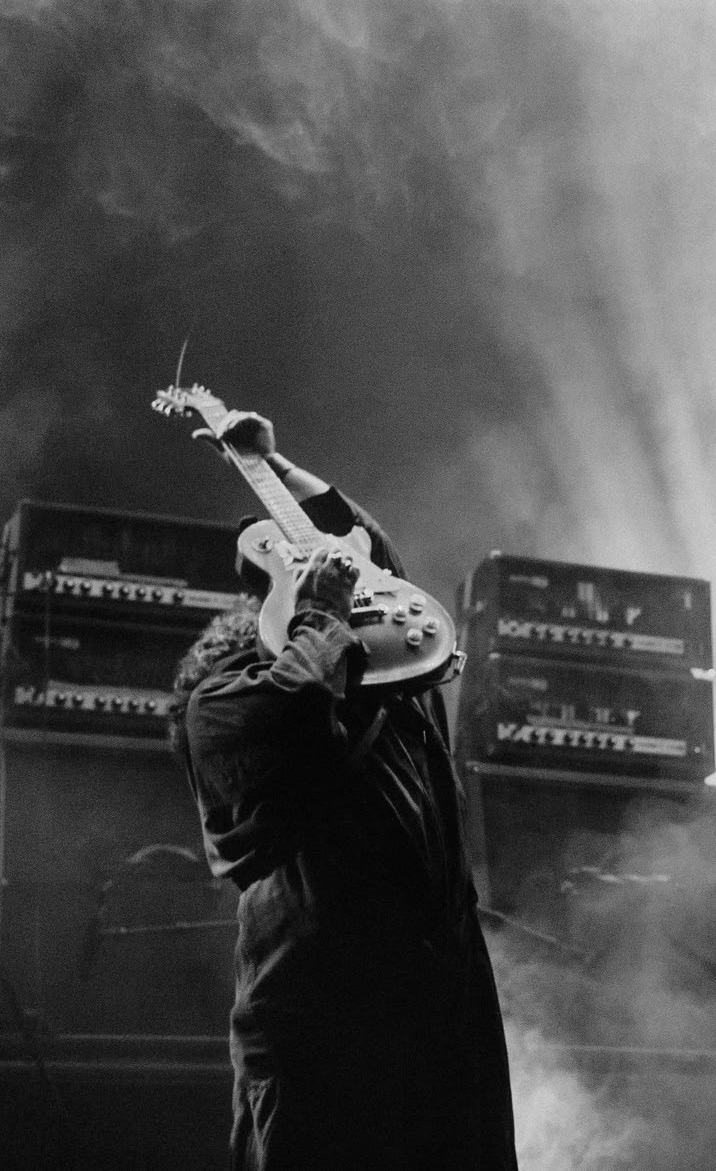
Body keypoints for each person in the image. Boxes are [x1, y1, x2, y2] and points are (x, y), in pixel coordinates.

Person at [168, 409, 517, 1171]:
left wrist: (272, 463)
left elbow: (373, 560)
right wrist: (319, 612)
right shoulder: (222, 705)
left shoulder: (396, 687)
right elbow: (297, 702)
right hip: (327, 1022)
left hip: (440, 1008)